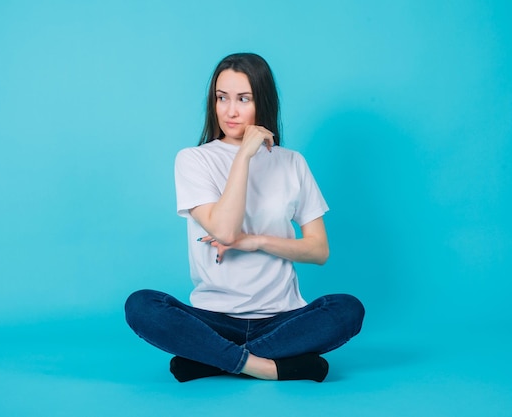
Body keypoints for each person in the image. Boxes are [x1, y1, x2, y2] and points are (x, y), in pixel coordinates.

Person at [125, 53, 364, 382]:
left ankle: (211, 358)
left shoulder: (292, 163)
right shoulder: (193, 160)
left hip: (282, 318)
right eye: (221, 98)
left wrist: (255, 241)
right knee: (141, 305)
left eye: (243, 99)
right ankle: (265, 366)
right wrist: (243, 157)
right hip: (213, 318)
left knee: (347, 308)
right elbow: (224, 229)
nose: (230, 110)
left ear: (262, 102)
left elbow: (319, 250)